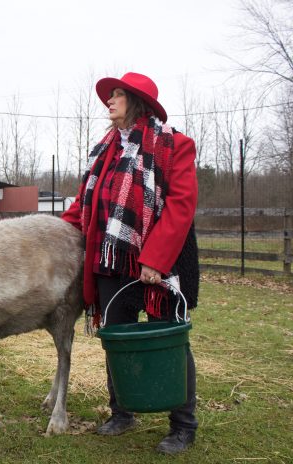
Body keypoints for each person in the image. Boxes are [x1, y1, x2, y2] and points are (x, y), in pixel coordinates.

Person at [62, 72, 199, 455]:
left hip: (162, 263)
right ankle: (122, 412)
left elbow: (180, 207)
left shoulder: (175, 145)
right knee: (117, 339)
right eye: (111, 95)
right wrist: (47, 235)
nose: (110, 100)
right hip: (113, 261)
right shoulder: (104, 149)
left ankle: (183, 424)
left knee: (169, 339)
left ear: (138, 103)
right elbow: (83, 206)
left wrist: (155, 259)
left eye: (119, 95)